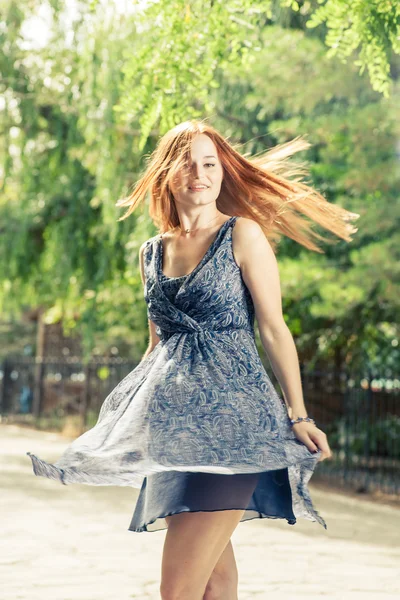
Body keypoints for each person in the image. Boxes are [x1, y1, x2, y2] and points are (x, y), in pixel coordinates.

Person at [27, 119, 359, 600]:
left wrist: (299, 413)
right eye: (188, 165)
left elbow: (273, 329)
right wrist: (124, 423)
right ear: (167, 175)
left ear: (222, 173)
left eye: (209, 164)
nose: (200, 174)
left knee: (177, 590)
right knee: (213, 584)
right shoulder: (150, 254)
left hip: (235, 430)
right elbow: (157, 348)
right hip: (175, 436)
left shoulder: (242, 236)